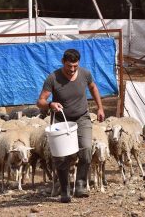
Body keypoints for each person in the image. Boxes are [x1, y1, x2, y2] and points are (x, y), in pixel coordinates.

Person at [37, 48, 105, 203]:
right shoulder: (53, 78)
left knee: (86, 149)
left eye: (75, 66)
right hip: (61, 121)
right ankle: (65, 189)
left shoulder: (85, 74)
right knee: (60, 156)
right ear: (63, 62)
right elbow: (40, 101)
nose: (72, 69)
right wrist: (50, 104)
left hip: (82, 117)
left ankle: (80, 184)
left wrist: (100, 107)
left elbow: (93, 87)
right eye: (69, 66)